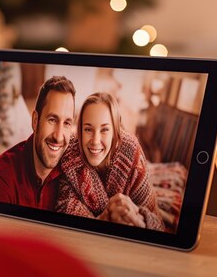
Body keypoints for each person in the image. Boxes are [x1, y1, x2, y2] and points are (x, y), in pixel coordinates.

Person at [57, 92, 164, 231]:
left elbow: (158, 223)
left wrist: (137, 218)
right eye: (88, 129)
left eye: (105, 129)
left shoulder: (131, 151)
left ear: (115, 131)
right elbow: (66, 211)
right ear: (79, 131)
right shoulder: (69, 156)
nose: (95, 141)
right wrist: (105, 217)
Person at [0, 76, 76, 210]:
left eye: (67, 123)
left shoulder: (72, 173)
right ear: (35, 121)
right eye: (52, 120)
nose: (58, 136)